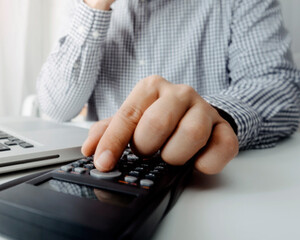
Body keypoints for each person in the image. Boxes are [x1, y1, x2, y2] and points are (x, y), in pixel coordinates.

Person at [37, 0, 300, 174]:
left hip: (210, 180)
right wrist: (95, 7)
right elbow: (57, 106)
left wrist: (215, 115)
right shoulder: (82, 5)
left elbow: (278, 87)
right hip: (100, 175)